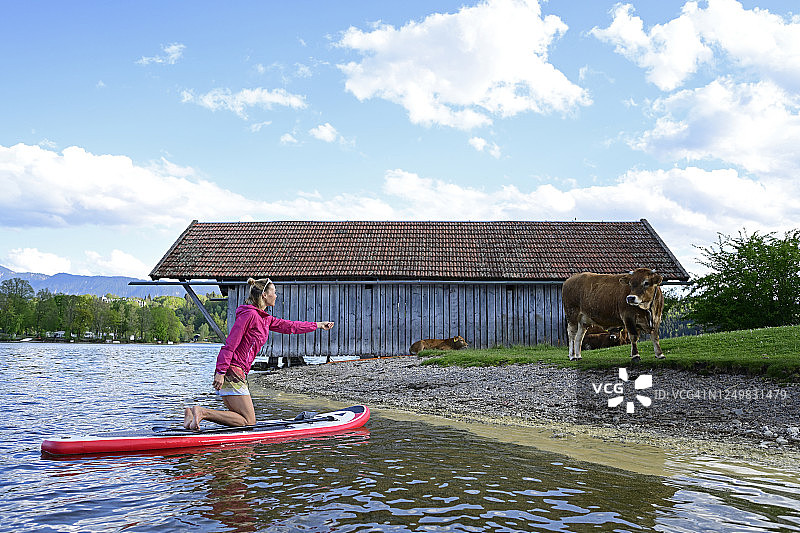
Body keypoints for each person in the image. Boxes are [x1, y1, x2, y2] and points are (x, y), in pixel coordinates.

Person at [184, 277, 334, 430]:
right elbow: (230, 343)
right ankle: (202, 412)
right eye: (273, 292)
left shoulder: (264, 318)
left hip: (235, 370)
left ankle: (191, 416)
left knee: (239, 418)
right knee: (248, 422)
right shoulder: (249, 315)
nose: (276, 296)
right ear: (264, 295)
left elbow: (291, 327)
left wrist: (318, 325)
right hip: (232, 370)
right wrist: (221, 371)